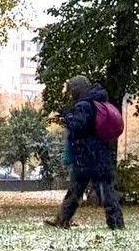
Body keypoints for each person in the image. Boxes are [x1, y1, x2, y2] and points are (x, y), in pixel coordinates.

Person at [44, 75, 124, 230]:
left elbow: (77, 126)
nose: (70, 94)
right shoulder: (96, 102)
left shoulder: (84, 105)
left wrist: (67, 115)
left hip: (89, 156)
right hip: (96, 154)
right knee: (79, 190)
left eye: (71, 91)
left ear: (77, 90)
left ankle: (116, 223)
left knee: (102, 191)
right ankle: (62, 220)